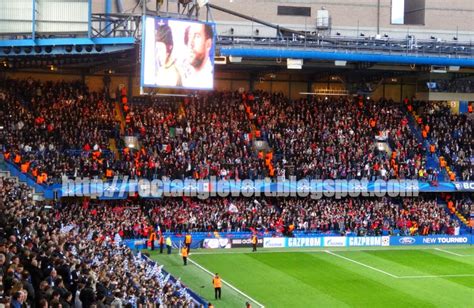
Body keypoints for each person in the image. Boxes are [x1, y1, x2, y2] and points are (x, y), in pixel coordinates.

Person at [182, 23, 214, 88]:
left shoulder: (208, 80)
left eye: (197, 36)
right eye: (190, 36)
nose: (190, 43)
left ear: (208, 44)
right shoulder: (181, 69)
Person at [155, 23, 182, 87]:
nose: (158, 55)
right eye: (157, 49)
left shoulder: (172, 74)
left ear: (170, 47)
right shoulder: (162, 69)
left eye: (161, 49)